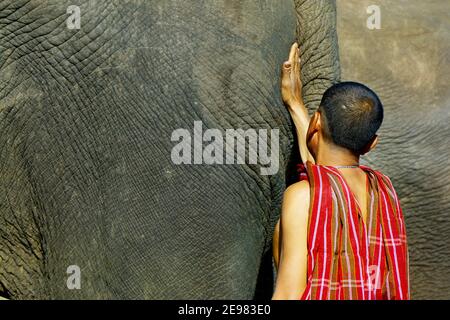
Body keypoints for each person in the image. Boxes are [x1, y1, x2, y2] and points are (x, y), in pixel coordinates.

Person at [272, 43, 409, 300]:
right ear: (372, 144)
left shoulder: (303, 197)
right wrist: (295, 104)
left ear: (317, 122)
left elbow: (289, 294)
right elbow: (327, 178)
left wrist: (303, 111)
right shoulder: (385, 191)